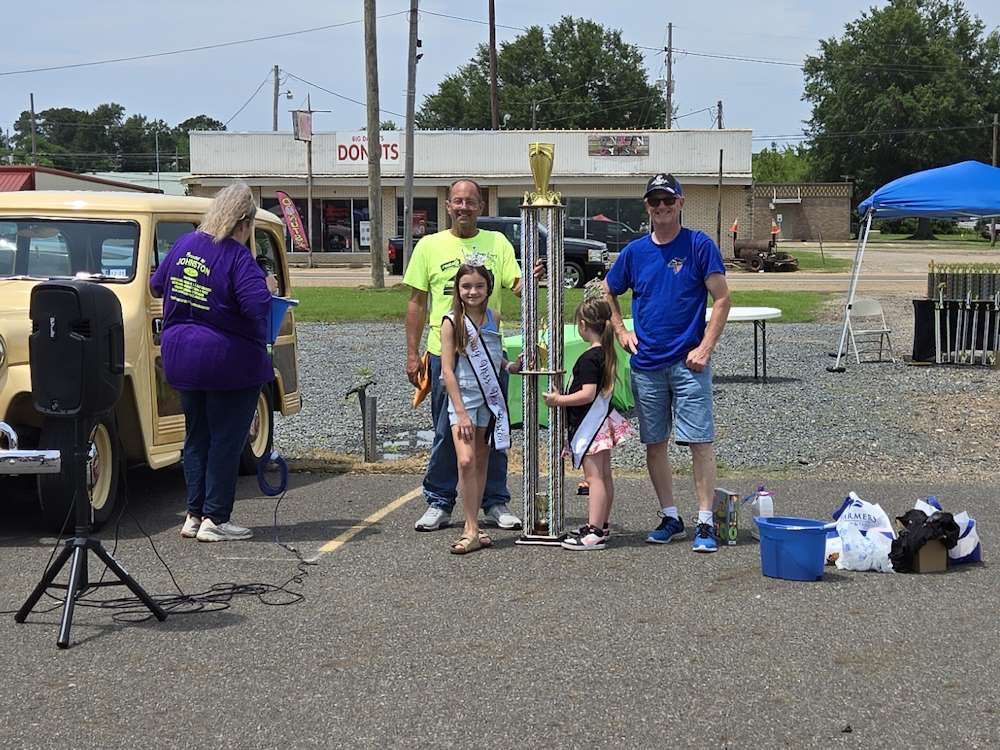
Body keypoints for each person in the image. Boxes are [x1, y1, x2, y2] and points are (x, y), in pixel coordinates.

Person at [603, 173, 731, 553]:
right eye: (654, 201)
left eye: (667, 200)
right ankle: (671, 515)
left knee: (699, 442)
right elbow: (609, 289)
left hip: (688, 363)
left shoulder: (698, 245)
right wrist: (621, 330)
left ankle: (705, 522)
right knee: (655, 443)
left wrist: (706, 347)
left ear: (680, 202)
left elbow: (722, 299)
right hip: (647, 364)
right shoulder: (635, 252)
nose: (661, 207)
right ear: (647, 206)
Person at [150, 181, 278, 543]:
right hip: (227, 360)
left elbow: (157, 285)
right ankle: (216, 518)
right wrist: (266, 285)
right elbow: (257, 306)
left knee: (196, 437)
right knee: (226, 439)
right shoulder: (237, 256)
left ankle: (193, 513)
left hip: (182, 356)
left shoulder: (184, 245)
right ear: (244, 222)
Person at [403, 179, 525, 532]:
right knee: (447, 430)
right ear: (448, 205)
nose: (464, 208)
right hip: (445, 356)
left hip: (489, 354)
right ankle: (439, 501)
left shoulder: (497, 243)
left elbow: (517, 286)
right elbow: (416, 302)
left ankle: (495, 501)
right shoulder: (429, 245)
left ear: (481, 206)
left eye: (471, 202)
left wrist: (531, 279)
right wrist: (412, 355)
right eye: (457, 201)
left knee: (495, 431)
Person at [440, 262, 522, 554]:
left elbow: (494, 354)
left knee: (481, 461)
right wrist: (460, 411)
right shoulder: (451, 321)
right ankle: (471, 526)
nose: (472, 291)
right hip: (463, 400)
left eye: (478, 286)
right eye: (466, 286)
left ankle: (473, 528)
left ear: (488, 288)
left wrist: (511, 365)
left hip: (489, 399)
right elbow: (447, 370)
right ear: (458, 290)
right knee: (465, 460)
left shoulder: (494, 317)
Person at [544, 293, 633, 550]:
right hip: (601, 424)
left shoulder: (589, 358)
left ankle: (595, 530)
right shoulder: (605, 353)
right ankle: (601, 524)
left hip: (591, 426)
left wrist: (558, 400)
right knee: (604, 477)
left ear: (583, 325)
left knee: (595, 479)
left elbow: (587, 394)